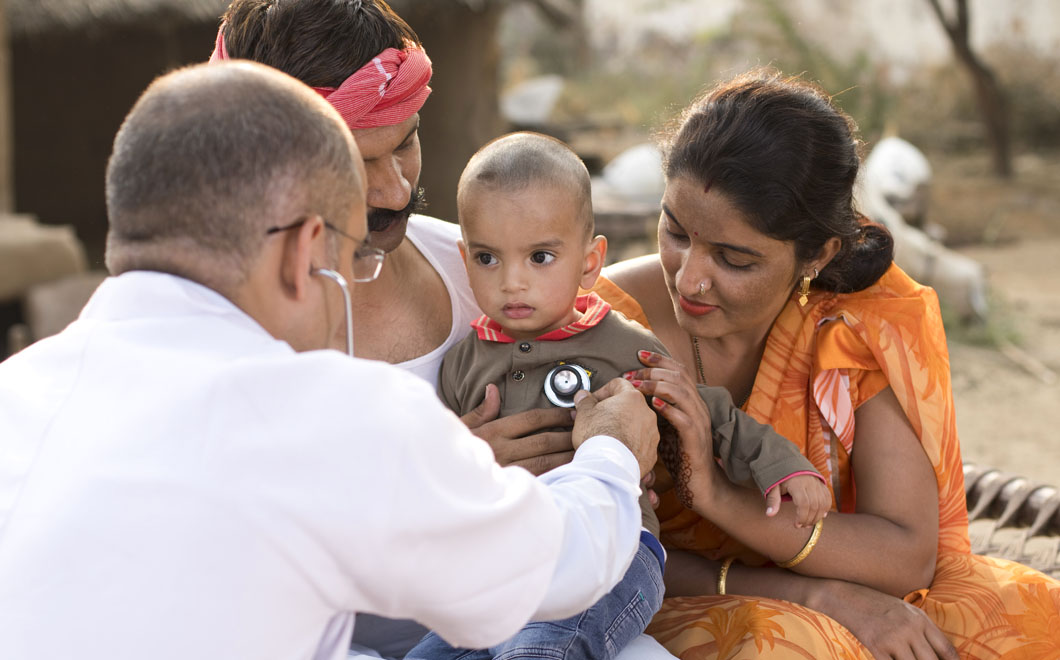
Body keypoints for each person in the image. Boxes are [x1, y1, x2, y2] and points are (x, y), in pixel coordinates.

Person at [0, 61, 664, 660]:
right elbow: (560, 567)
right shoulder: (314, 412)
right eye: (352, 254)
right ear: (303, 253)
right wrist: (610, 454)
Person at [209, 3, 678, 658]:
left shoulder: (483, 269)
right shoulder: (214, 331)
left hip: (525, 612)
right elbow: (230, 560)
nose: (395, 187)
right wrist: (440, 483)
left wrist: (620, 451)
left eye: (405, 143)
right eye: (358, 162)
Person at [595, 68, 1060, 660]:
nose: (689, 278)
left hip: (844, 581)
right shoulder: (601, 326)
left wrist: (720, 499)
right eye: (675, 231)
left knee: (1029, 617)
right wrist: (820, 597)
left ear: (818, 254)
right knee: (780, 644)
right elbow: (593, 554)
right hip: (657, 599)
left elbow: (905, 554)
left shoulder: (853, 322)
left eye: (735, 259)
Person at [404, 131, 831, 660]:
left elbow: (709, 410)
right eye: (489, 259)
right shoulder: (464, 362)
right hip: (506, 561)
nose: (512, 282)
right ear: (465, 259)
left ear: (589, 262)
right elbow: (439, 468)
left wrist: (783, 467)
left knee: (543, 649)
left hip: (615, 556)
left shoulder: (623, 345)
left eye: (539, 257)